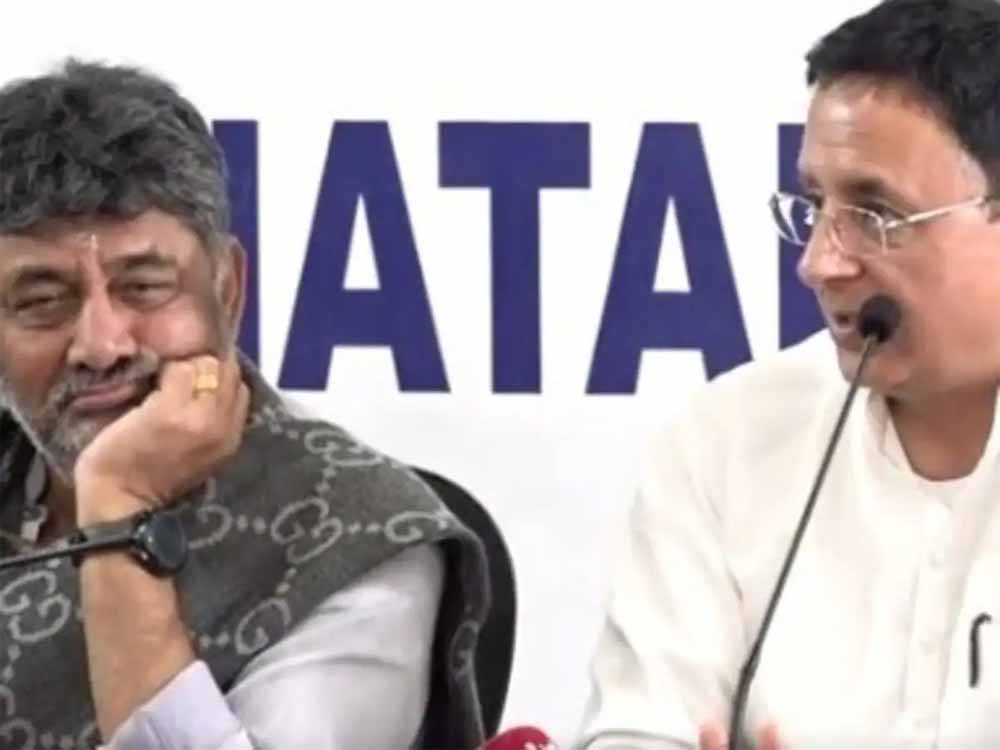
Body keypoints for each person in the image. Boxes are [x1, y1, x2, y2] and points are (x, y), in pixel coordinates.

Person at [0, 59, 489, 749]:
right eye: (43, 300)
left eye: (144, 287)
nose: (101, 345)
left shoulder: (347, 535)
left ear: (227, 291)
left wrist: (120, 508)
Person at [576, 0, 1000, 747]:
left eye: (875, 215)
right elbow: (640, 726)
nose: (818, 263)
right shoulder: (727, 439)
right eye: (814, 206)